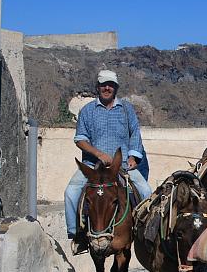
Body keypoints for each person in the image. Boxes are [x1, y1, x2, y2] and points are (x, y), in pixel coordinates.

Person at [64, 70, 152, 250]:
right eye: (103, 84)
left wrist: (134, 157)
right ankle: (78, 235)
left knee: (146, 191)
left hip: (123, 165)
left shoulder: (127, 109)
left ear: (116, 87)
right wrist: (99, 154)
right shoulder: (87, 111)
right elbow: (80, 139)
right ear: (97, 87)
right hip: (93, 166)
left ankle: (144, 235)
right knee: (71, 192)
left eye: (110, 85)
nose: (107, 88)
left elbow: (135, 133)